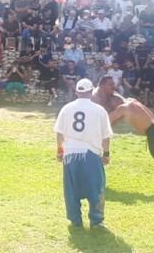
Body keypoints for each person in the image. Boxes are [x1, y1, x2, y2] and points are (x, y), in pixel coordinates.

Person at [95, 76, 154, 195]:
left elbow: (106, 120)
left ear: (116, 101)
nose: (113, 106)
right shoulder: (133, 101)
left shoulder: (122, 108)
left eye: (113, 104)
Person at [53, 78, 112, 229]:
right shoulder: (99, 110)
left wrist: (60, 150)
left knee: (71, 188)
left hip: (71, 152)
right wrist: (106, 153)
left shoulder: (67, 108)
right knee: (96, 186)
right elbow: (105, 136)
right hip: (90, 152)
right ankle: (96, 221)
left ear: (76, 91)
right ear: (91, 92)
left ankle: (75, 220)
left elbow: (59, 133)